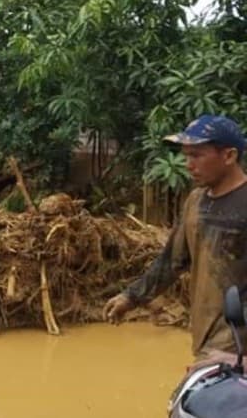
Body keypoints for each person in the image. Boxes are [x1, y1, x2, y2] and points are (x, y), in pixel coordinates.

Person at [103, 115, 247, 360]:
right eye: (186, 155)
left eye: (197, 155)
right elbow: (172, 260)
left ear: (229, 156)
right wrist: (132, 296)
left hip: (238, 347)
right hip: (207, 339)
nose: (188, 164)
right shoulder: (196, 201)